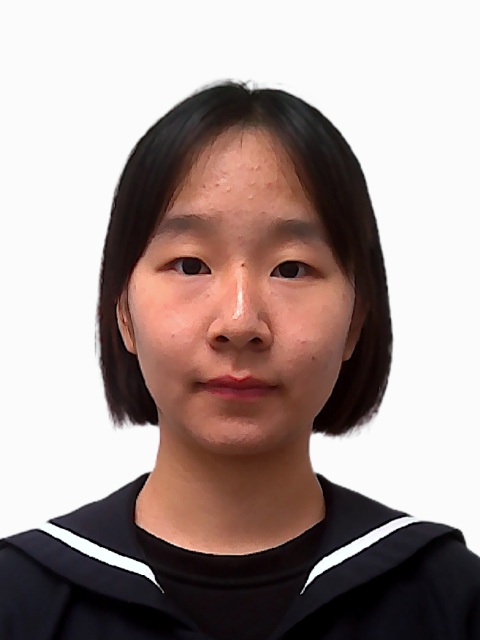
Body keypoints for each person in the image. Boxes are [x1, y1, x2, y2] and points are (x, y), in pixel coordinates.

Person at [1, 80, 479, 640]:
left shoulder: (451, 599)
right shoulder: (18, 600)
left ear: (356, 321)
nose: (239, 322)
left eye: (291, 269)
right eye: (190, 264)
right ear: (123, 312)